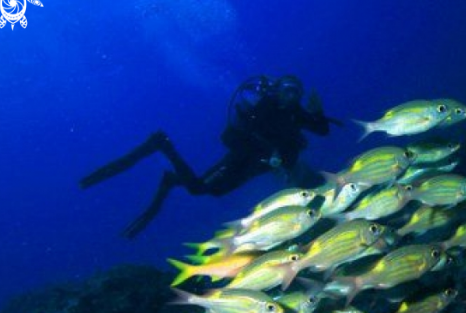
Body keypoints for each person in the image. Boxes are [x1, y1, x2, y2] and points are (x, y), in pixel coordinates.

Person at [80, 75, 335, 238]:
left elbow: (322, 130)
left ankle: (173, 179)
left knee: (216, 191)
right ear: (277, 90)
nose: (292, 96)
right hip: (242, 158)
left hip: (258, 166)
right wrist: (271, 152)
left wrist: (318, 111)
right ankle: (162, 144)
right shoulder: (265, 106)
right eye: (288, 90)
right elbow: (244, 133)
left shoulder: (296, 112)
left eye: (296, 92)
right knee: (199, 188)